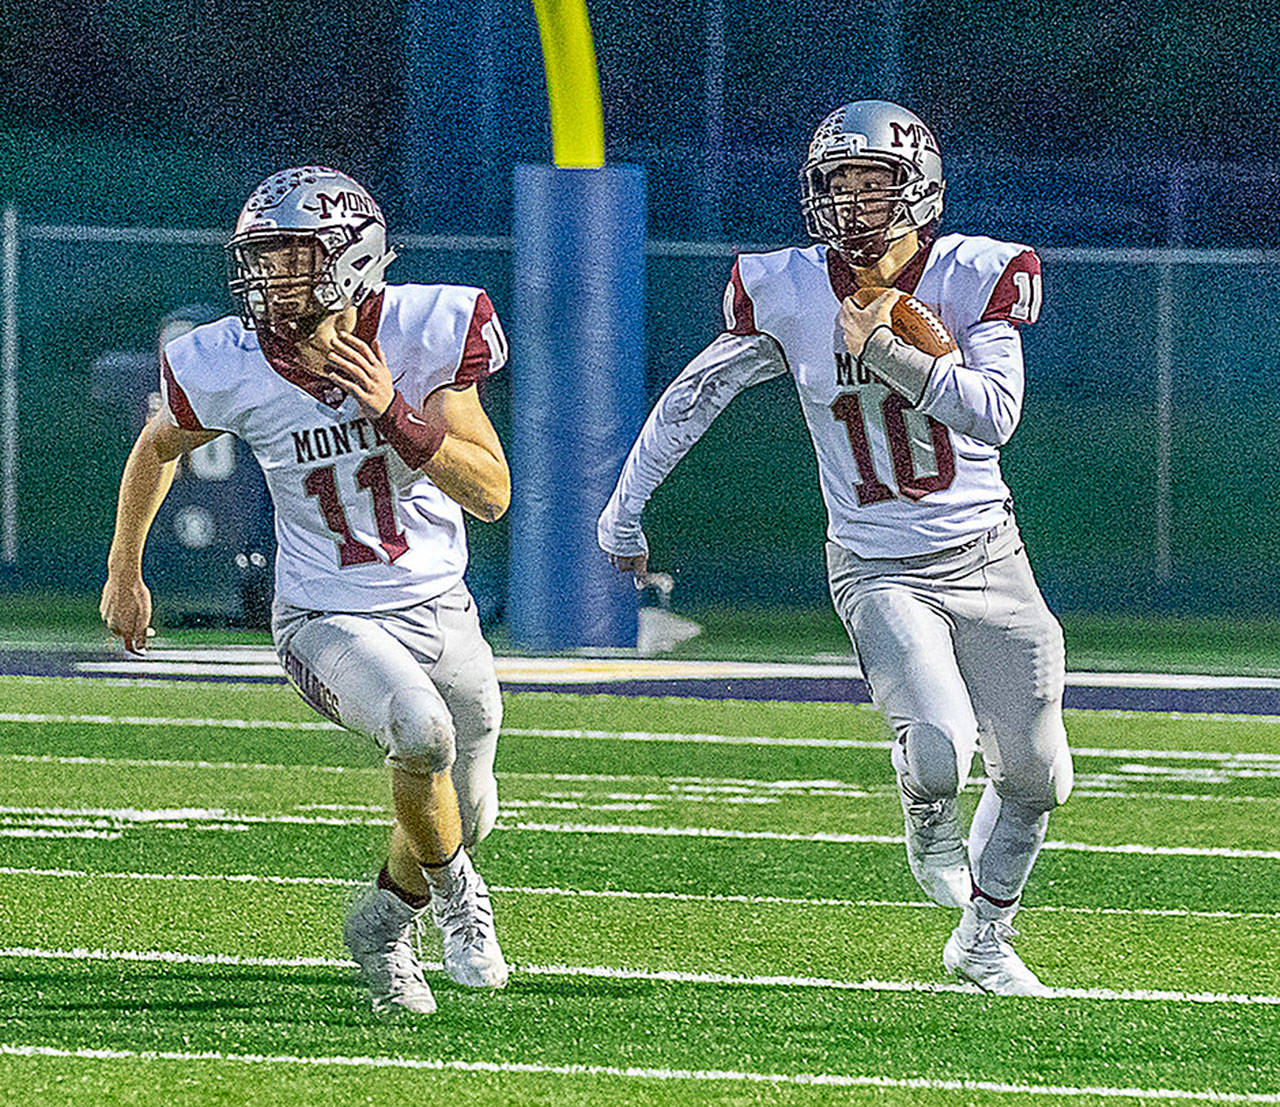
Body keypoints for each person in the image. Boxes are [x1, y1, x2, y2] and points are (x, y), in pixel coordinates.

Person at [597, 101, 1072, 997]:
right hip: (876, 563)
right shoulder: (783, 286)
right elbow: (694, 397)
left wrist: (888, 351)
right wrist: (624, 511)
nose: (854, 204)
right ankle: (926, 809)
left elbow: (994, 415)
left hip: (989, 552)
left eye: (874, 183)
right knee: (938, 745)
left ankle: (983, 938)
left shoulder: (977, 274)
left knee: (1041, 774)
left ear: (918, 189)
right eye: (838, 184)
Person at [100, 166, 512, 1015]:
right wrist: (125, 569)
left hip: (440, 605)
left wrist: (394, 410)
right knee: (419, 732)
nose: (270, 279)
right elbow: (158, 445)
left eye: (292, 258)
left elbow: (492, 491)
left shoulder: (426, 328)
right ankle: (461, 904)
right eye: (263, 258)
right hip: (325, 614)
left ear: (352, 260)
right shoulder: (231, 359)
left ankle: (381, 923)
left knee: (466, 803)